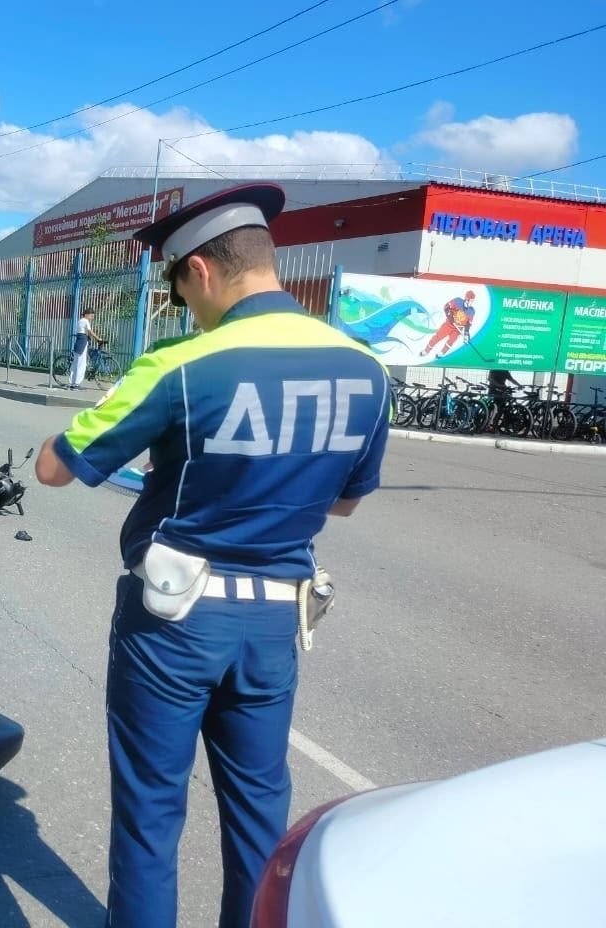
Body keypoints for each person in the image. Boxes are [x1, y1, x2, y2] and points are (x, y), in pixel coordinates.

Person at [33, 183, 391, 928]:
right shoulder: (363, 368)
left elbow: (54, 468)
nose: (179, 304)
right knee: (262, 815)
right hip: (275, 627)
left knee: (150, 817)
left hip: (174, 624)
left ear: (199, 270)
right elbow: (345, 502)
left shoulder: (180, 366)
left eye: (174, 286)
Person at [420, 290, 476, 357]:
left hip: (457, 330)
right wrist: (449, 316)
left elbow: (468, 324)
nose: (472, 302)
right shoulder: (458, 301)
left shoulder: (472, 311)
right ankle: (426, 350)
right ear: (467, 299)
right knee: (437, 337)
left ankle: (441, 353)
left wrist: (466, 334)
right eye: (471, 300)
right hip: (448, 325)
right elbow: (446, 307)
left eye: (473, 301)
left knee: (450, 342)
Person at [69, 308, 105, 389]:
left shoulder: (80, 321)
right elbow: (90, 331)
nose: (92, 318)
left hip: (79, 342)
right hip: (82, 343)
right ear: (86, 315)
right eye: (91, 316)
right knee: (81, 364)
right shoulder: (85, 321)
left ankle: (72, 383)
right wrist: (98, 339)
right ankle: (76, 384)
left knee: (75, 363)